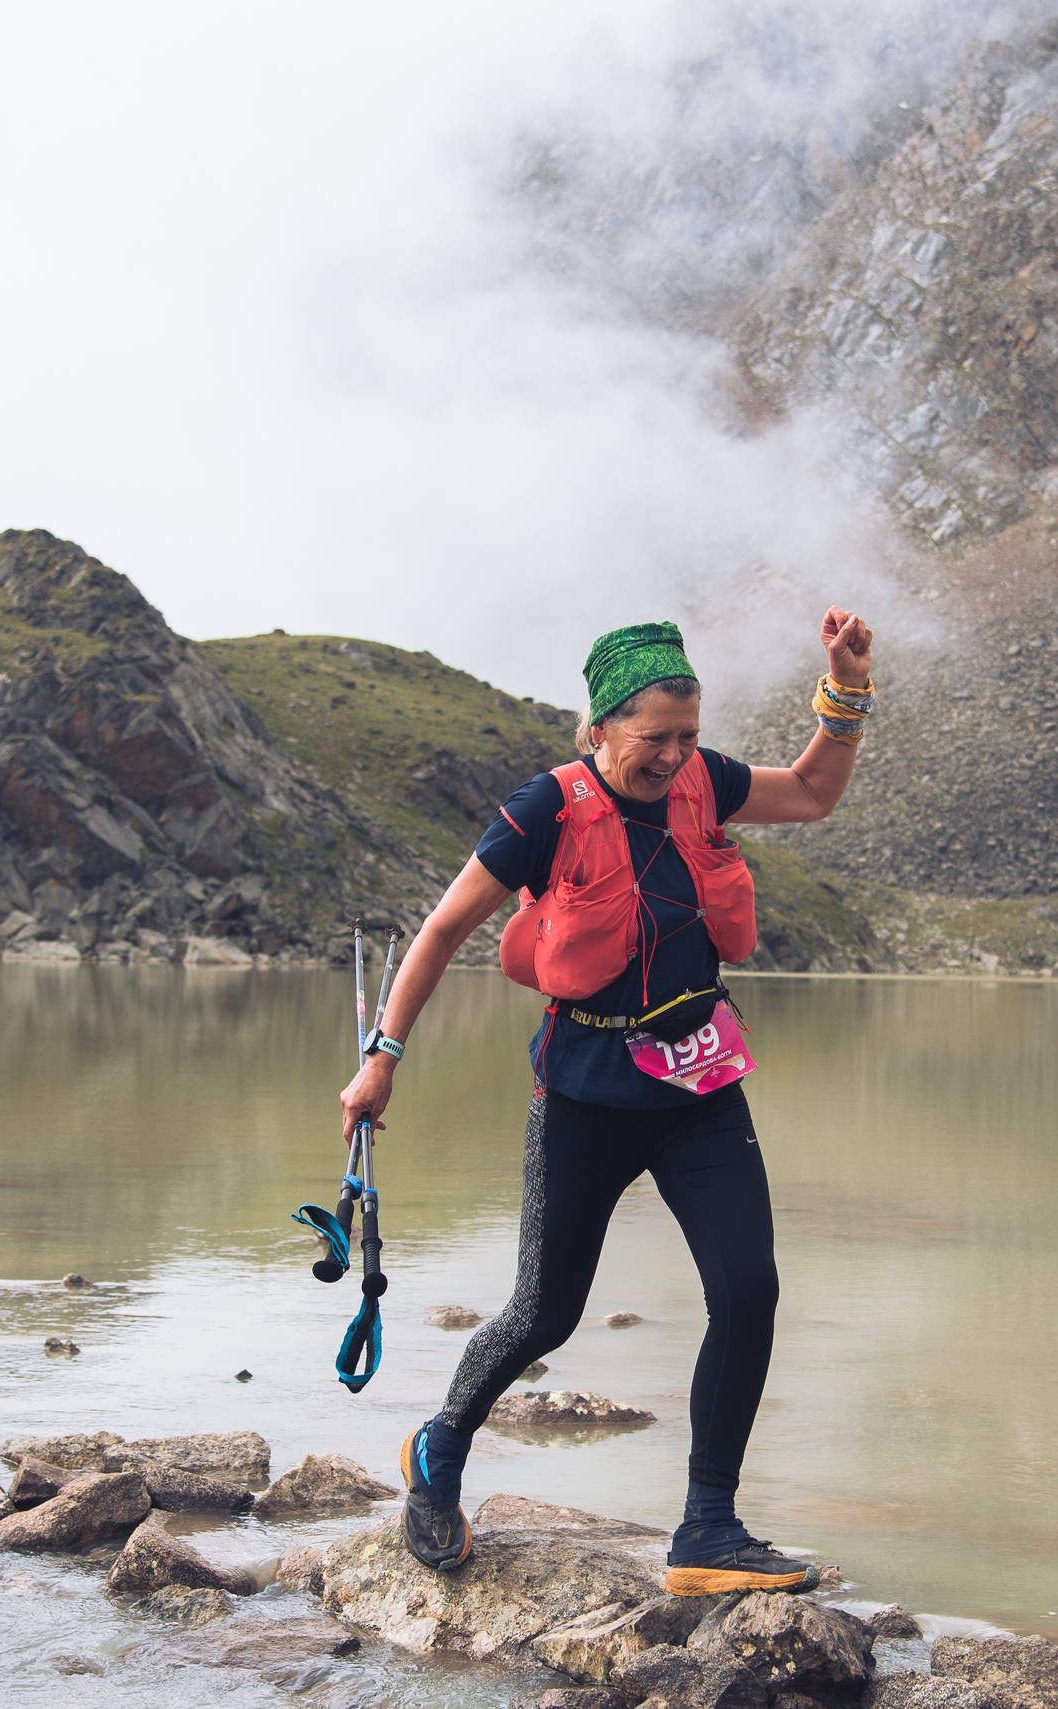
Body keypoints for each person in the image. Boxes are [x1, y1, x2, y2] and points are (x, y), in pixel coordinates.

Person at [338, 610, 876, 1595]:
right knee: (545, 1312)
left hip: (699, 1085)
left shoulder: (703, 781)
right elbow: (444, 929)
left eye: (687, 735)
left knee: (747, 1290)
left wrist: (842, 693)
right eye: (653, 739)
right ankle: (439, 1451)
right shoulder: (544, 807)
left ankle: (707, 1528)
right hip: (586, 1090)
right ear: (598, 729)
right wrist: (383, 1058)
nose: (675, 758)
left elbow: (808, 791)